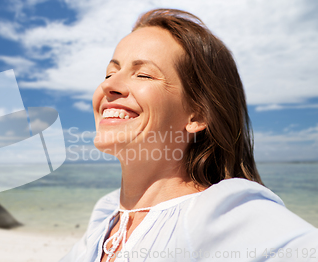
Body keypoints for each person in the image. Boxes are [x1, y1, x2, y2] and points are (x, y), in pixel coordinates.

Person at [60, 9, 318, 262]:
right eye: (110, 73)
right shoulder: (106, 216)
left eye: (144, 74)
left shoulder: (218, 213)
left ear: (198, 115)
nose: (108, 85)